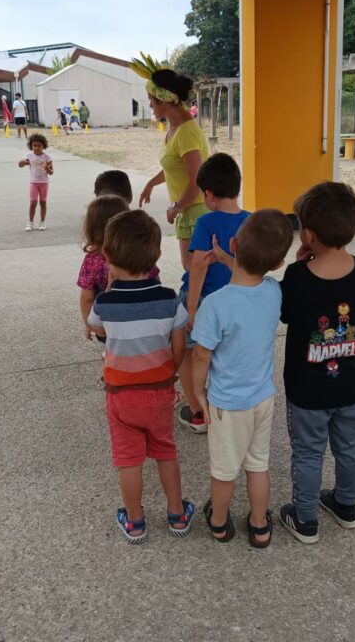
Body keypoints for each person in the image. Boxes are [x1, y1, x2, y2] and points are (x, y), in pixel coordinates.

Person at [87, 209, 196, 544]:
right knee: (165, 451)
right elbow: (180, 345)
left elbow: (97, 328)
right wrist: (170, 372)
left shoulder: (105, 303)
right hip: (159, 391)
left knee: (129, 459)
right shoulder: (168, 300)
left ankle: (135, 521)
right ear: (157, 255)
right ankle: (177, 514)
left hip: (120, 395)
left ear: (106, 255)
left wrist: (109, 287)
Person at [277, 182, 355, 545]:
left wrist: (299, 265)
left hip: (307, 390)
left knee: (308, 452)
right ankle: (346, 505)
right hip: (351, 384)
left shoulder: (298, 276)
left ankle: (304, 519)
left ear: (308, 234)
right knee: (350, 446)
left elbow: (286, 314)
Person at [191, 209, 294, 546]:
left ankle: (219, 523)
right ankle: (260, 525)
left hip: (227, 403)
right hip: (262, 398)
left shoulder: (215, 305)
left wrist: (198, 391)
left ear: (234, 243)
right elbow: (252, 282)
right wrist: (226, 259)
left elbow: (201, 354)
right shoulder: (274, 291)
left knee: (224, 471)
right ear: (277, 264)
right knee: (257, 465)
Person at [178, 153, 250, 433]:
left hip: (204, 300)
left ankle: (198, 411)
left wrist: (191, 309)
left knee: (188, 352)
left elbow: (198, 265)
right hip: (237, 300)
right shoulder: (250, 221)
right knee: (226, 354)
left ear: (207, 194)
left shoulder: (206, 223)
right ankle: (226, 407)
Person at [138, 68, 209, 272]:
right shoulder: (175, 128)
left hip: (195, 211)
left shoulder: (185, 132)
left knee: (195, 270)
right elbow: (175, 167)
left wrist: (176, 207)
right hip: (188, 210)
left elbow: (197, 180)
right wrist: (151, 183)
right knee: (193, 269)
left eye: (151, 100)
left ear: (164, 100)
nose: (150, 105)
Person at [78, 195, 160, 343]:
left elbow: (87, 298)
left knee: (113, 346)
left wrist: (89, 323)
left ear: (90, 227)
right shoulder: (141, 254)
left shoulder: (91, 261)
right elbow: (156, 282)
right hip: (143, 318)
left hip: (108, 321)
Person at [17, 132, 53, 231]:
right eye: (34, 146)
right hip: (33, 183)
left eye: (39, 146)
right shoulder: (29, 155)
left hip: (44, 183)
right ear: (31, 145)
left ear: (43, 146)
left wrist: (47, 169)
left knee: (43, 203)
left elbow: (51, 172)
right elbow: (20, 165)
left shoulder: (47, 157)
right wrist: (22, 162)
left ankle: (42, 222)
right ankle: (30, 223)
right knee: (33, 203)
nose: (36, 148)